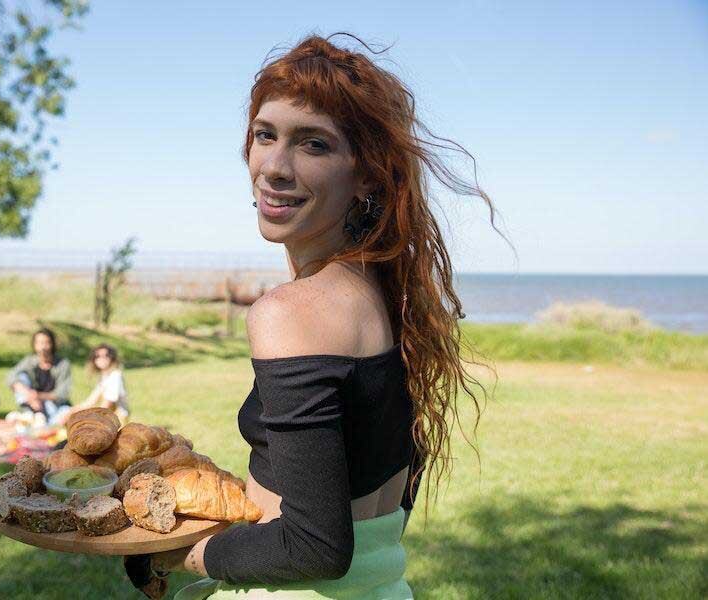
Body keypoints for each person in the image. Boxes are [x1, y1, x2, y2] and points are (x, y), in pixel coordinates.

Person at [130, 34, 494, 599]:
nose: (274, 167)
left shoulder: (290, 312)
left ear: (368, 172)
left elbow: (314, 546)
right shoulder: (387, 295)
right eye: (264, 135)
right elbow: (387, 473)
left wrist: (174, 552)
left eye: (313, 145)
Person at [7, 328, 72, 426]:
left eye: (46, 343)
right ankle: (32, 417)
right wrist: (30, 395)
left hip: (54, 404)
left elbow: (62, 394)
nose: (43, 347)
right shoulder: (30, 361)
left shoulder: (62, 364)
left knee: (66, 412)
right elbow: (10, 377)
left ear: (52, 344)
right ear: (34, 345)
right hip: (33, 403)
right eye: (39, 343)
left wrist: (38, 396)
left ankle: (36, 420)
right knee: (21, 377)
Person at [61, 344, 131, 426]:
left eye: (106, 355)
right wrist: (72, 411)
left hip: (117, 421)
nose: (102, 359)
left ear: (112, 358)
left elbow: (108, 404)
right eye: (97, 356)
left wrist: (89, 419)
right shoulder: (103, 378)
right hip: (107, 418)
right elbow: (90, 402)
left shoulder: (115, 376)